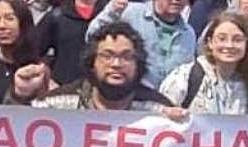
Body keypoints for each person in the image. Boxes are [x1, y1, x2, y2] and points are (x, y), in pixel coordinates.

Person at [10, 21, 172, 113]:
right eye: (107, 56)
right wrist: (20, 96)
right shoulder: (58, 102)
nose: (116, 64)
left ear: (138, 64)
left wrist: (179, 125)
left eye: (126, 57)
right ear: (92, 62)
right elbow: (13, 131)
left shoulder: (159, 110)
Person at [87, 0, 197, 88]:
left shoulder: (189, 34)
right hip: (131, 95)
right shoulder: (131, 13)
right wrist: (112, 11)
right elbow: (92, 36)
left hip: (170, 98)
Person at [160, 11, 248, 116]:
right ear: (210, 42)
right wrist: (168, 113)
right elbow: (158, 114)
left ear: (246, 44)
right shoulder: (185, 77)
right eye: (222, 39)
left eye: (237, 40)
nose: (229, 45)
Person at [37, 0, 106, 85]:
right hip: (64, 89)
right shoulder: (56, 16)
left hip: (104, 90)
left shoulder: (112, 14)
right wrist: (47, 79)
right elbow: (33, 52)